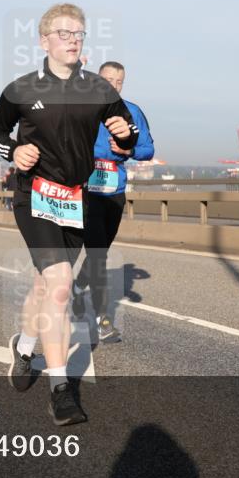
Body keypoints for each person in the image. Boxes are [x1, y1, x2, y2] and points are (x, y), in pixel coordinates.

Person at [0, 2, 139, 426]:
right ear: (44, 41)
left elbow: (129, 135)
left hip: (73, 199)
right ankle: (60, 390)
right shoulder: (21, 89)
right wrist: (14, 150)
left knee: (43, 285)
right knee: (60, 285)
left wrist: (126, 135)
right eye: (64, 33)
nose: (73, 40)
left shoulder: (99, 90)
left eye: (79, 34)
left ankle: (24, 345)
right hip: (33, 196)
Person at [71, 61, 154, 342]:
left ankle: (78, 285)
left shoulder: (132, 111)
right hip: (86, 189)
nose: (113, 85)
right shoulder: (84, 107)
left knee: (100, 248)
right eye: (108, 80)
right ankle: (103, 318)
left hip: (115, 190)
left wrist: (129, 148)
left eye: (119, 81)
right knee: (98, 255)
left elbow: (148, 149)